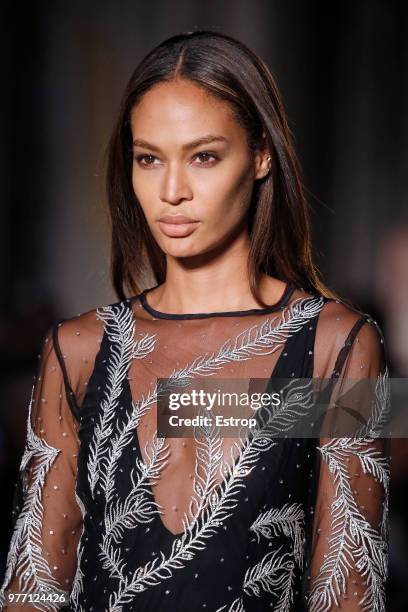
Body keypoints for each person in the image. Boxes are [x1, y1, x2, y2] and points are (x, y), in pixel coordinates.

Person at [0, 30, 390, 611]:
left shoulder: (338, 345)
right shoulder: (77, 349)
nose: (172, 191)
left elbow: (350, 596)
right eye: (148, 159)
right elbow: (32, 591)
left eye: (203, 156)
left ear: (261, 155)